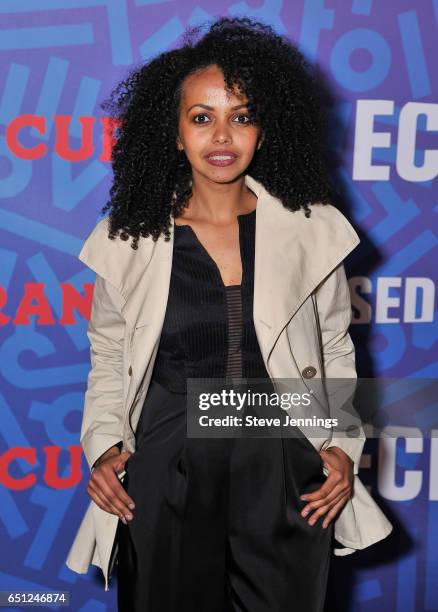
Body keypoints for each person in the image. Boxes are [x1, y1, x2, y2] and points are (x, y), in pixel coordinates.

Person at [66, 16, 393, 611]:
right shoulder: (129, 238)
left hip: (285, 464)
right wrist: (105, 448)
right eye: (201, 118)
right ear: (174, 133)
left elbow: (336, 346)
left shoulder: (311, 231)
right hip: (166, 468)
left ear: (264, 131)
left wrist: (343, 448)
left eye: (241, 116)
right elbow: (109, 355)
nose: (222, 136)